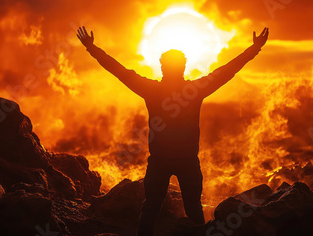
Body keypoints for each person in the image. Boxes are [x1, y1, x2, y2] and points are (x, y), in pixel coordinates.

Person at [77, 26, 269, 236]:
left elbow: (119, 70)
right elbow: (227, 70)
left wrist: (92, 48)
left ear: (162, 67)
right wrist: (254, 49)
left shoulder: (152, 90)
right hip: (183, 161)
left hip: (163, 161)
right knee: (192, 211)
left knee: (150, 209)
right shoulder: (195, 90)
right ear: (183, 66)